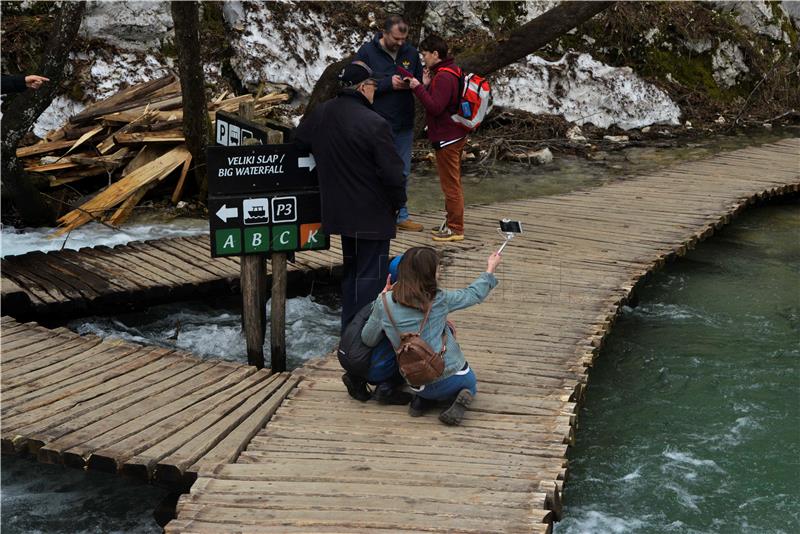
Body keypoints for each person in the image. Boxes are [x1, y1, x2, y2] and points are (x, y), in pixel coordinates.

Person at [294, 61, 406, 332]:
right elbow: (393, 174)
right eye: (373, 86)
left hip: (340, 212)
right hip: (373, 214)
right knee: (371, 278)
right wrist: (398, 203)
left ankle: (348, 331)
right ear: (363, 87)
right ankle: (361, 338)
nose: (374, 92)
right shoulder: (375, 123)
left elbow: (297, 141)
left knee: (353, 273)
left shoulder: (322, 113)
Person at [361, 246, 503, 425]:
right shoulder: (439, 298)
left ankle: (422, 401)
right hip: (454, 376)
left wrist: (380, 300)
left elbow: (368, 339)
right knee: (470, 385)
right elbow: (473, 294)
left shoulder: (383, 303)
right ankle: (451, 400)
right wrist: (490, 269)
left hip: (415, 380)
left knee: (425, 385)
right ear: (430, 274)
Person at [356, 15, 424, 233]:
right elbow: (356, 81)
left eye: (404, 39)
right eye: (396, 38)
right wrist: (387, 83)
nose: (401, 43)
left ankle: (401, 215)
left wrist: (412, 84)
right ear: (384, 33)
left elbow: (419, 81)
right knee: (375, 169)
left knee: (402, 171)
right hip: (376, 122)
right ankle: (374, 213)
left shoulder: (411, 53)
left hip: (404, 121)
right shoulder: (367, 52)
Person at [408, 35, 467, 242]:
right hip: (456, 134)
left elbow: (435, 107)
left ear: (435, 54)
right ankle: (450, 222)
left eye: (425, 54)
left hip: (447, 138)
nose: (423, 58)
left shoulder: (443, 76)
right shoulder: (452, 71)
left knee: (450, 185)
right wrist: (425, 85)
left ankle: (455, 228)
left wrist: (417, 87)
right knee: (453, 182)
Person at [339, 254, 411, 405]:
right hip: (374, 366)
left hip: (350, 358)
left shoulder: (380, 298)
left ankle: (356, 378)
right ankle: (386, 387)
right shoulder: (400, 306)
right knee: (412, 347)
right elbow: (370, 339)